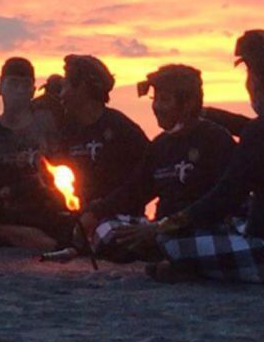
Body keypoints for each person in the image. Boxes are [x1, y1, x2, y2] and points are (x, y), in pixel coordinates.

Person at [116, 30, 264, 284]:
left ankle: (190, 271)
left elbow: (225, 195)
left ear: (256, 80)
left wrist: (162, 227)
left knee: (173, 243)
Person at [81, 64, 236, 260]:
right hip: (159, 231)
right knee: (107, 231)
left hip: (200, 229)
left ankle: (172, 258)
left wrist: (165, 227)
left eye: (164, 100)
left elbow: (222, 200)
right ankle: (165, 256)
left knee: (186, 244)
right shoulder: (160, 145)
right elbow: (135, 190)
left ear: (187, 104)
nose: (156, 107)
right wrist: (94, 213)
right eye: (155, 99)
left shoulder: (216, 140)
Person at [0, 57, 69, 251]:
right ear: (0, 89)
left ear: (33, 91)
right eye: (13, 84)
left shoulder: (50, 131)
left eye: (25, 85)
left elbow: (68, 177)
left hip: (44, 217)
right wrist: (3, 194)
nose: (19, 91)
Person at [55, 55, 149, 211]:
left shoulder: (123, 129)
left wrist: (106, 209)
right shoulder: (65, 132)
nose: (61, 95)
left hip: (119, 222)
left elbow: (148, 178)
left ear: (83, 88)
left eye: (65, 87)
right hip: (77, 221)